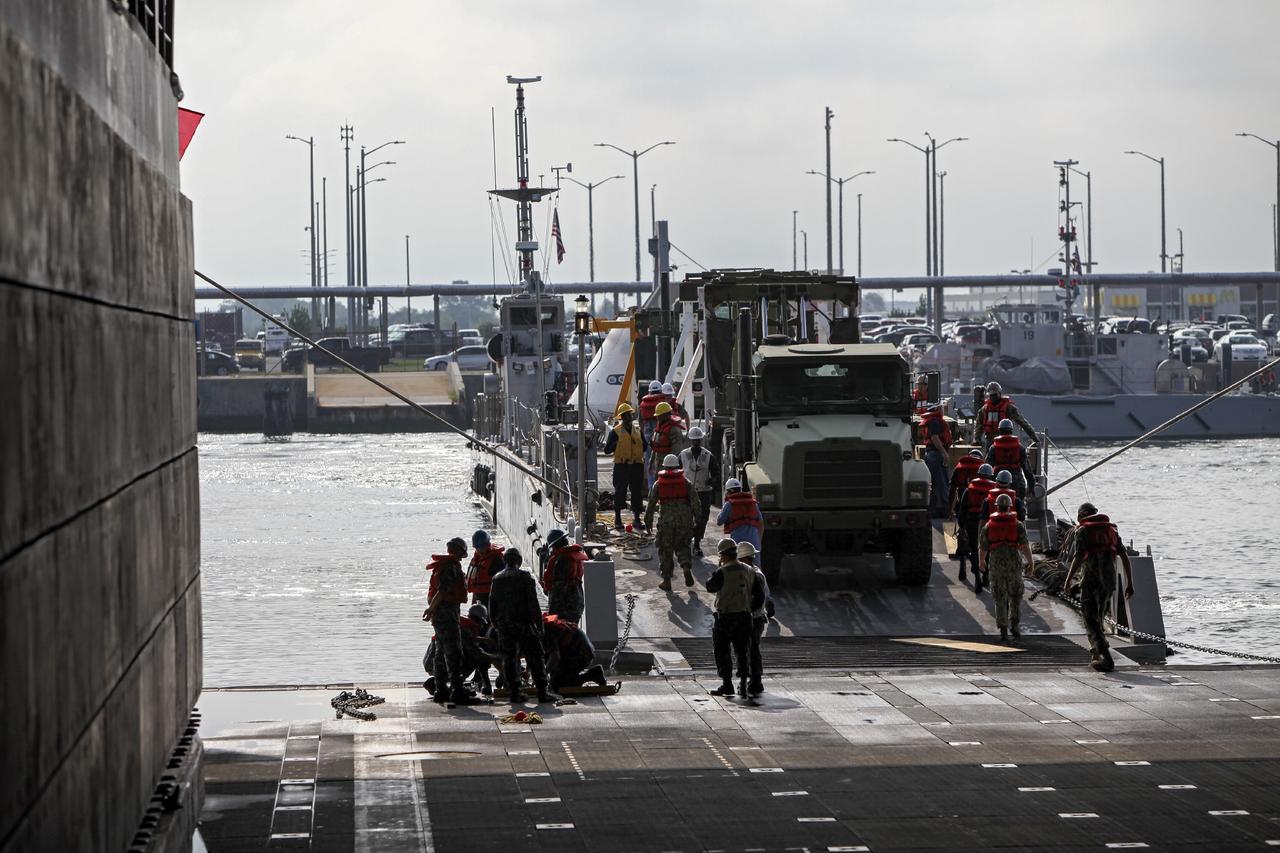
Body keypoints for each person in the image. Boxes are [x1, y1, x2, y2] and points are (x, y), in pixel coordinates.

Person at [1064, 503, 1135, 672]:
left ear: (1081, 515)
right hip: (1109, 582)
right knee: (1099, 617)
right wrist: (1130, 583)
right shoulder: (1112, 530)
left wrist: (1067, 581)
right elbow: (1124, 556)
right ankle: (1096, 653)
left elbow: (1079, 557)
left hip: (1091, 581)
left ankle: (1107, 658)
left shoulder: (1083, 531)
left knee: (1090, 619)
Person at [488, 548, 557, 703]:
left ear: (505, 561)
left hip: (504, 626)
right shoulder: (524, 577)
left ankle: (514, 692)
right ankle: (542, 691)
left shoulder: (496, 578)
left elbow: (492, 603)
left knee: (509, 659)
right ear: (518, 561)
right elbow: (533, 604)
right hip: (524, 624)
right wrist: (539, 626)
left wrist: (495, 624)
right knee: (535, 656)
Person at [423, 537, 481, 705]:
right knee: (454, 652)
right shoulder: (451, 567)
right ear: (460, 552)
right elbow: (442, 592)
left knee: (441, 653)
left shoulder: (444, 566)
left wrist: (432, 611)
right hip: (446, 614)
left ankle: (441, 691)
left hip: (441, 615)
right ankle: (457, 691)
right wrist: (431, 609)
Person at [704, 538, 765, 697]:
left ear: (722, 555)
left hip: (726, 616)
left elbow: (710, 587)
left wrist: (717, 569)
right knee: (742, 651)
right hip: (745, 617)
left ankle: (727, 684)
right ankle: (744, 683)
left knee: (722, 650)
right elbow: (760, 595)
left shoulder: (722, 571)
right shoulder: (749, 570)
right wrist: (749, 610)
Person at [979, 494, 1034, 642]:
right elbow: (1025, 546)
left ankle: (1003, 629)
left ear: (996, 506)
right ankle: (1015, 626)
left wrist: (981, 561)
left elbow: (983, 547)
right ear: (1010, 507)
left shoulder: (988, 525)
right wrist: (1031, 563)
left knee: (999, 596)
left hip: (996, 563)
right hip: (1014, 563)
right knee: (1015, 596)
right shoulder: (1018, 525)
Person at [644, 454, 701, 590]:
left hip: (666, 522)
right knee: (683, 546)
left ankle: (667, 581)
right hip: (684, 520)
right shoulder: (686, 482)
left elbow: (650, 504)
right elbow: (695, 502)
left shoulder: (659, 484)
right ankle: (686, 566)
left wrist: (648, 521)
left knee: (665, 550)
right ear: (677, 467)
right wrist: (697, 519)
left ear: (664, 466)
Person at [422, 603, 496, 697]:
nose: (482, 627)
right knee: (475, 658)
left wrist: (483, 640)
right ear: (479, 620)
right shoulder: (467, 628)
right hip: (439, 664)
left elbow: (465, 638)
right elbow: (477, 653)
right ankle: (455, 686)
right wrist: (496, 657)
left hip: (431, 662)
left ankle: (439, 684)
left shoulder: (460, 623)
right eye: (482, 624)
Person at [603, 403, 646, 531]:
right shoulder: (615, 432)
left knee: (637, 493)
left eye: (630, 415)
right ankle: (618, 518)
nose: (629, 417)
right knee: (619, 492)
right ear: (622, 417)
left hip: (636, 466)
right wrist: (615, 444)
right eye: (626, 415)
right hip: (621, 466)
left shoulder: (637, 431)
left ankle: (637, 519)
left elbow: (645, 446)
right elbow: (606, 450)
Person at [738, 540, 771, 697]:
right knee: (752, 649)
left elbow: (757, 598)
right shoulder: (756, 572)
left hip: (751, 617)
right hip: (757, 617)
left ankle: (754, 681)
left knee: (750, 650)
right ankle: (753, 680)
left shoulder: (751, 575)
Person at [542, 614, 606, 692]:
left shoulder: (546, 632)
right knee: (548, 664)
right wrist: (528, 671)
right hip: (574, 651)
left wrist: (542, 677)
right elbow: (534, 653)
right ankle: (565, 676)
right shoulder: (537, 629)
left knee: (558, 685)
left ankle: (593, 675)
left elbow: (555, 657)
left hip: (583, 654)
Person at [957, 464, 997, 591]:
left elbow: (962, 510)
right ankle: (986, 575)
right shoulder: (994, 489)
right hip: (989, 523)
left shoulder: (969, 490)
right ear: (991, 475)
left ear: (978, 475)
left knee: (974, 550)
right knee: (988, 550)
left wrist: (961, 526)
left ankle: (977, 578)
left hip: (972, 523)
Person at [679, 426, 716, 555]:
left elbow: (716, 473)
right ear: (690, 440)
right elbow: (675, 472)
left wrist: (710, 481)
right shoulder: (683, 455)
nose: (696, 443)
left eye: (698, 441)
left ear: (701, 440)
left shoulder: (708, 456)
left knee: (702, 519)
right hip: (687, 492)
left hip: (704, 492)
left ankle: (697, 543)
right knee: (686, 518)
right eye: (694, 441)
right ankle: (687, 541)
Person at [973, 381, 1037, 449]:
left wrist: (1035, 438)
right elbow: (978, 426)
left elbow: (1023, 423)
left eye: (995, 395)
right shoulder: (984, 409)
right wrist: (977, 439)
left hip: (1005, 441)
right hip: (990, 442)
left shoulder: (1008, 407)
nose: (993, 397)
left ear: (999, 393)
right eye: (991, 395)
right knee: (990, 457)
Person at [540, 528, 586, 622]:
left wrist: (552, 612)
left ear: (554, 545)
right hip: (577, 603)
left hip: (565, 607)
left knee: (562, 634)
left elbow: (559, 588)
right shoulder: (571, 556)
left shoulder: (561, 560)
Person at [986, 418, 1036, 498]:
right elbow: (1027, 469)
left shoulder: (993, 447)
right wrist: (1031, 486)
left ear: (999, 430)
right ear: (1011, 430)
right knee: (1018, 503)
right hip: (1017, 481)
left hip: (998, 480)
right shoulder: (1019, 447)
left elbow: (988, 467)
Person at [920, 405, 951, 518]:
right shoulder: (935, 422)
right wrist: (944, 453)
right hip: (936, 455)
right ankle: (943, 509)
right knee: (942, 482)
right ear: (937, 410)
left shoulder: (931, 421)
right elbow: (935, 438)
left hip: (932, 454)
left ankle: (933, 508)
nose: (943, 410)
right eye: (941, 408)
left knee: (934, 482)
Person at [648, 402, 687, 488]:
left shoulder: (674, 430)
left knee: (668, 487)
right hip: (659, 463)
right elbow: (655, 447)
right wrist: (651, 462)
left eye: (659, 415)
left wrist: (671, 469)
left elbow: (677, 452)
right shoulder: (659, 428)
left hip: (669, 466)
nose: (657, 417)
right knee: (658, 487)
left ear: (666, 415)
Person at [718, 477, 763, 551]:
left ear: (730, 491)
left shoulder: (729, 504)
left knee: (737, 561)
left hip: (738, 543)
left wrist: (724, 502)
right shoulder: (753, 503)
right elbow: (761, 524)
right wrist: (759, 542)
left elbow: (719, 521)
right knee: (755, 562)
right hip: (754, 544)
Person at [467, 530, 504, 608]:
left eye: (483, 547)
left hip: (491, 597)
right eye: (478, 547)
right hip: (478, 596)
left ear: (488, 544)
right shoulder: (476, 559)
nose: (480, 550)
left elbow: (501, 583)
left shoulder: (496, 560)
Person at [638, 379, 666, 474]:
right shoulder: (663, 402)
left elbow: (640, 420)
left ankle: (650, 485)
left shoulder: (643, 404)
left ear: (649, 391)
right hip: (660, 433)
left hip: (647, 433)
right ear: (661, 391)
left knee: (649, 459)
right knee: (661, 458)